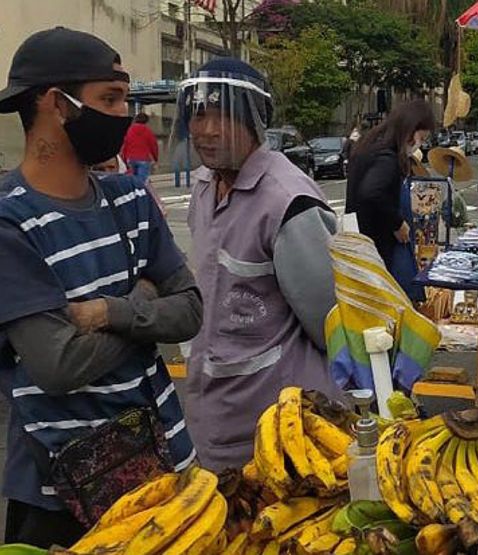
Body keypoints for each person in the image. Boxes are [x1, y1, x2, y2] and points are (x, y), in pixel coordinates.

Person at [0, 27, 201, 547]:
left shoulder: (130, 199)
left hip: (168, 470)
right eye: (109, 99)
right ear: (56, 106)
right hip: (64, 496)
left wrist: (109, 312)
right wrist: (144, 300)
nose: (124, 115)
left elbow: (192, 310)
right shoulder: (10, 223)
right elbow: (58, 366)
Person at [180, 58, 344, 471]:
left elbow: (331, 323)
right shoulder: (204, 185)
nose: (208, 129)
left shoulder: (287, 201)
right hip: (211, 411)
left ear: (255, 122)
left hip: (276, 422)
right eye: (199, 113)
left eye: (225, 114)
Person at [345, 99, 435, 271]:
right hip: (374, 244)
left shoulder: (368, 145)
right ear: (409, 130)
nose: (419, 144)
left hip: (356, 237)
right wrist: (397, 223)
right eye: (421, 138)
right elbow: (371, 192)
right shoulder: (387, 158)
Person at [121, 112, 158, 184]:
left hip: (130, 158)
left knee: (131, 181)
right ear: (146, 121)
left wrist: (124, 159)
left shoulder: (129, 130)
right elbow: (153, 145)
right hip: (143, 159)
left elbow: (125, 145)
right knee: (141, 183)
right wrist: (155, 158)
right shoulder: (148, 131)